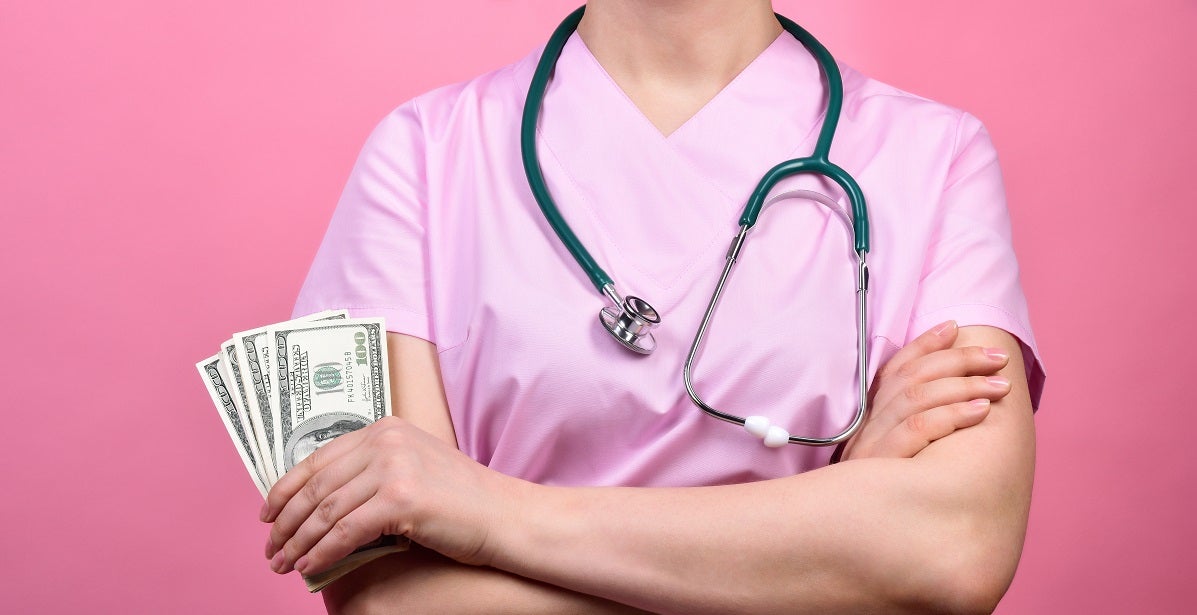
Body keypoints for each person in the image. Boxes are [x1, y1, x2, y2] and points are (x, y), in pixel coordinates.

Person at [262, 1, 1045, 612]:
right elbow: (388, 597)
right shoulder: (419, 153)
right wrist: (823, 547)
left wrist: (488, 514)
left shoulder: (938, 156)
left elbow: (954, 549)